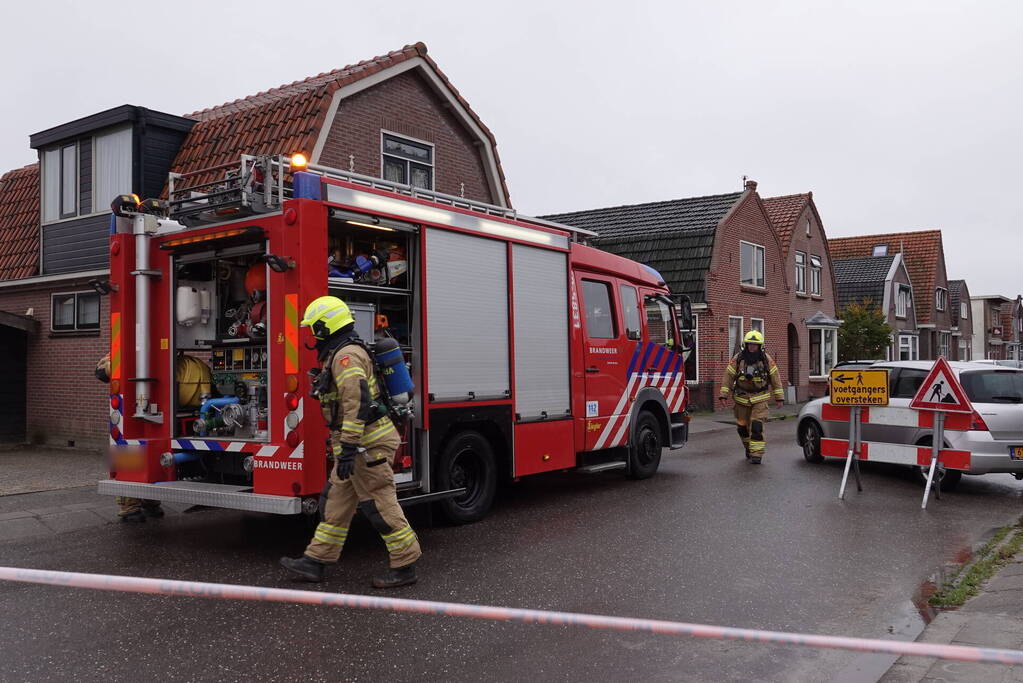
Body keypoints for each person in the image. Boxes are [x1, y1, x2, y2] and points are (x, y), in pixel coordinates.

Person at [280, 296, 421, 589]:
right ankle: (314, 562)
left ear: (325, 326)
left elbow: (357, 401)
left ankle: (405, 566)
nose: (312, 334)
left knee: (379, 504)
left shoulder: (347, 357)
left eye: (314, 328)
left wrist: (347, 447)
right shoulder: (339, 353)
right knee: (336, 503)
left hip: (367, 444)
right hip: (357, 443)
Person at [95, 354, 164, 522]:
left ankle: (150, 500)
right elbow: (102, 371)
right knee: (129, 452)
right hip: (129, 407)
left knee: (150, 454)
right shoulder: (120, 352)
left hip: (149, 405)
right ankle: (129, 505)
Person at [718, 331, 784, 464]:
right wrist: (723, 395)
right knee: (742, 427)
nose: (752, 347)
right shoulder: (738, 359)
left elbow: (775, 378)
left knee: (756, 427)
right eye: (750, 344)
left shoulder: (766, 360)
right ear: (745, 345)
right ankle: (749, 448)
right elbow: (728, 376)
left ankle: (757, 454)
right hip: (741, 399)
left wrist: (779, 397)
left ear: (760, 346)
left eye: (755, 345)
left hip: (760, 398)